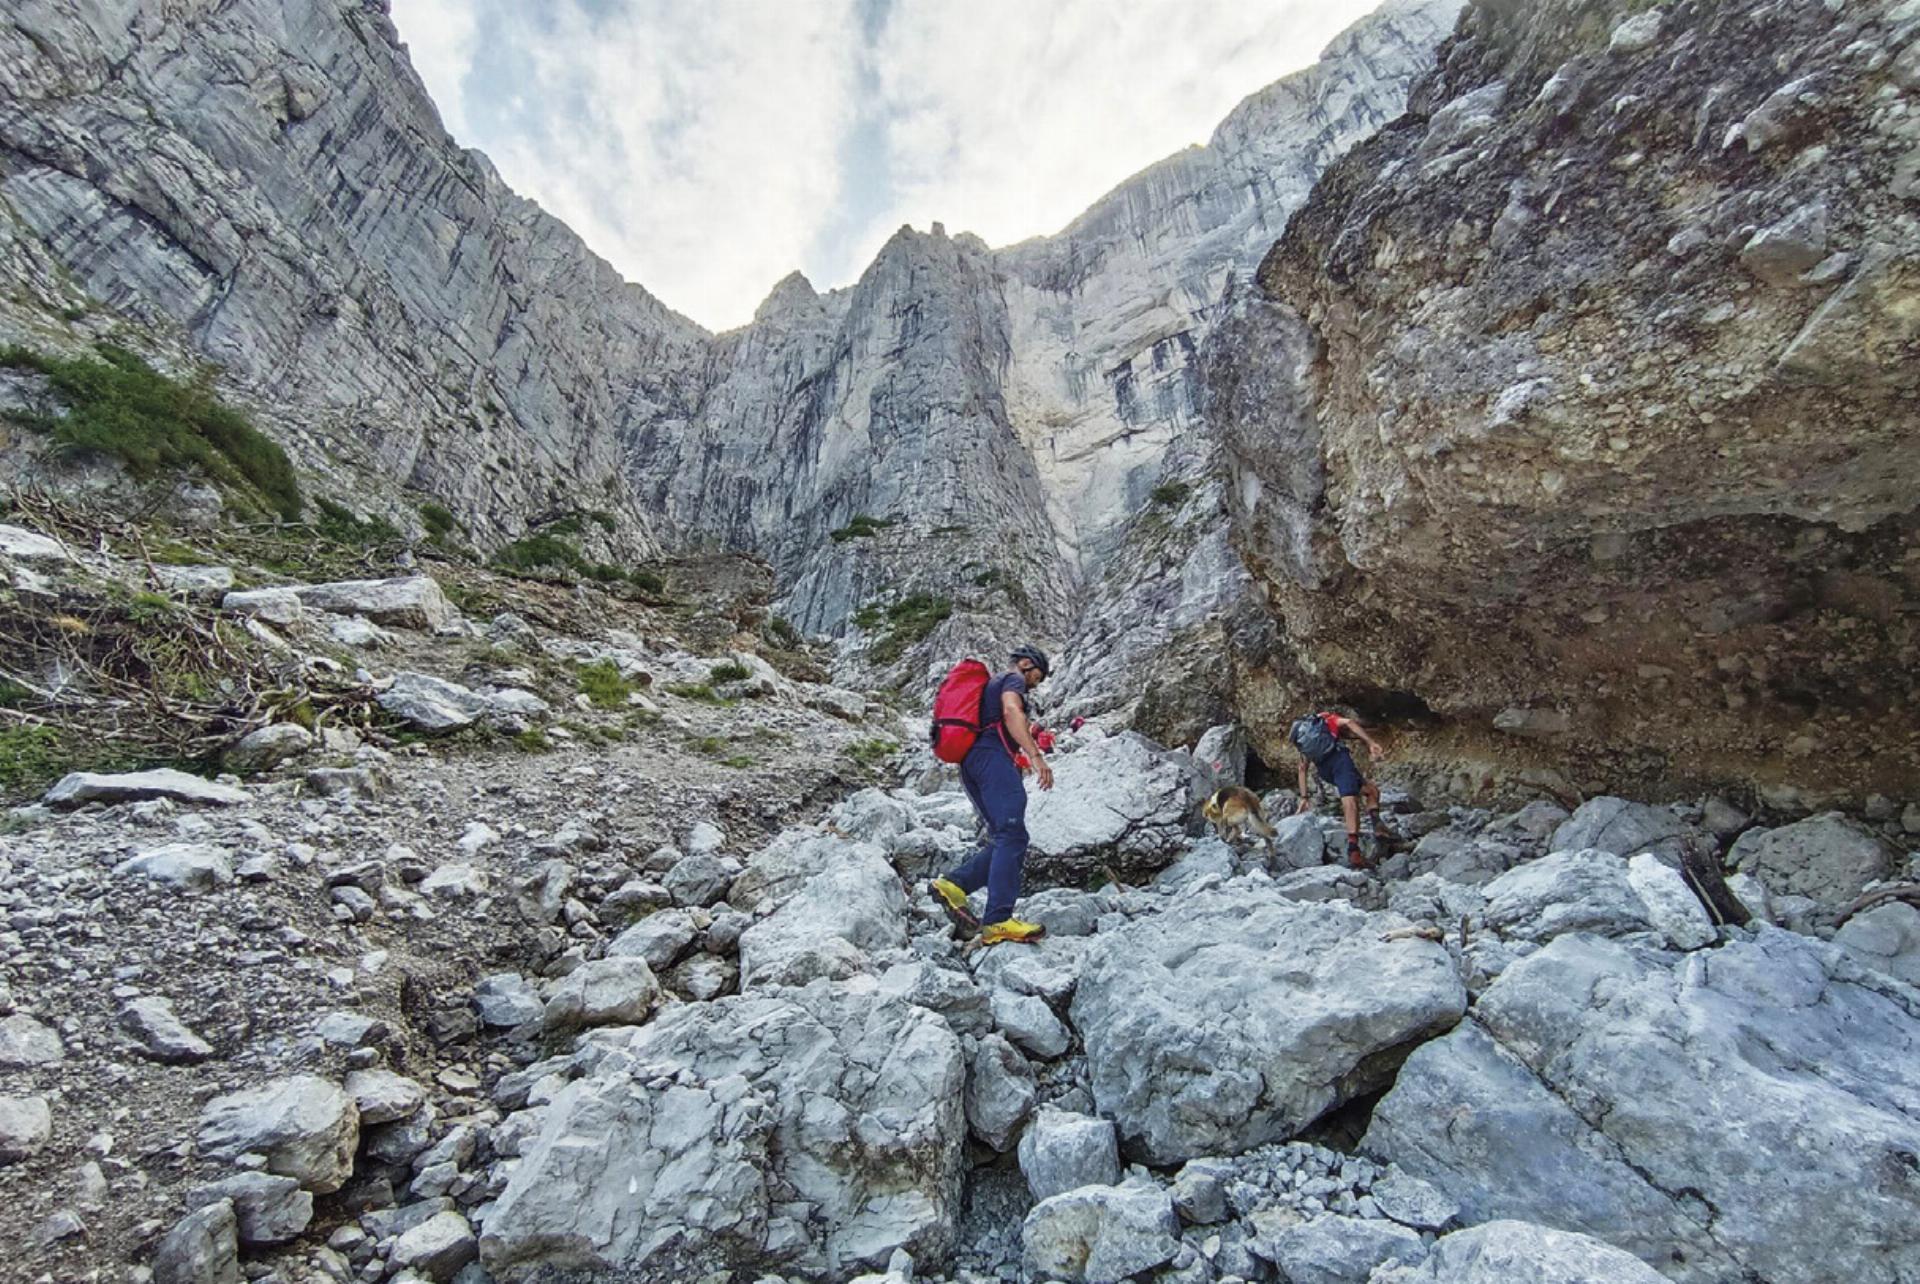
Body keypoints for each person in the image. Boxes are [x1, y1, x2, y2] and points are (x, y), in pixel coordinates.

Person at [929, 644, 1055, 944]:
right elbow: (1012, 710)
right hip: (992, 759)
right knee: (1011, 833)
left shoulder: (991, 685)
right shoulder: (1012, 680)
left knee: (1009, 836)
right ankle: (998, 919)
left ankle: (955, 885)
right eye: (1038, 675)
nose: (1038, 683)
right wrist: (1035, 755)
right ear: (1026, 664)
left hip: (972, 764)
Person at [1292, 708, 1389, 869]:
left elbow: (1302, 768)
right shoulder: (1326, 719)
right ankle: (1354, 851)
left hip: (1324, 770)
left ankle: (1378, 826)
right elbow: (1350, 723)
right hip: (1340, 761)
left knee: (1370, 791)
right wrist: (1370, 743)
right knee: (1350, 801)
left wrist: (1304, 797)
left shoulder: (1303, 736)